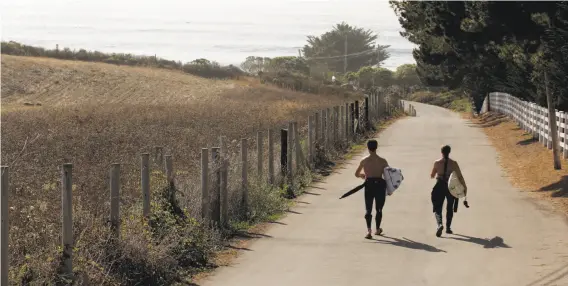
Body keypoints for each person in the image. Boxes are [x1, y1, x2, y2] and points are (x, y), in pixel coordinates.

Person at [355, 139, 389, 239]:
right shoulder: (383, 161)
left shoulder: (364, 160)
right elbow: (388, 176)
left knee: (368, 208)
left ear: (367, 147)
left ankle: (369, 230)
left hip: (369, 184)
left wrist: (363, 175)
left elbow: (356, 174)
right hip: (379, 184)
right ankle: (377, 229)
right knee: (379, 209)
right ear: (376, 147)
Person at [430, 145, 467, 237]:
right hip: (450, 186)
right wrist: (464, 189)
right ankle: (448, 228)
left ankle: (439, 224)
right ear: (449, 152)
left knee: (438, 207)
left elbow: (432, 175)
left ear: (441, 152)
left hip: (439, 185)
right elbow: (459, 176)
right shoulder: (454, 163)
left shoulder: (437, 162)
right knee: (449, 207)